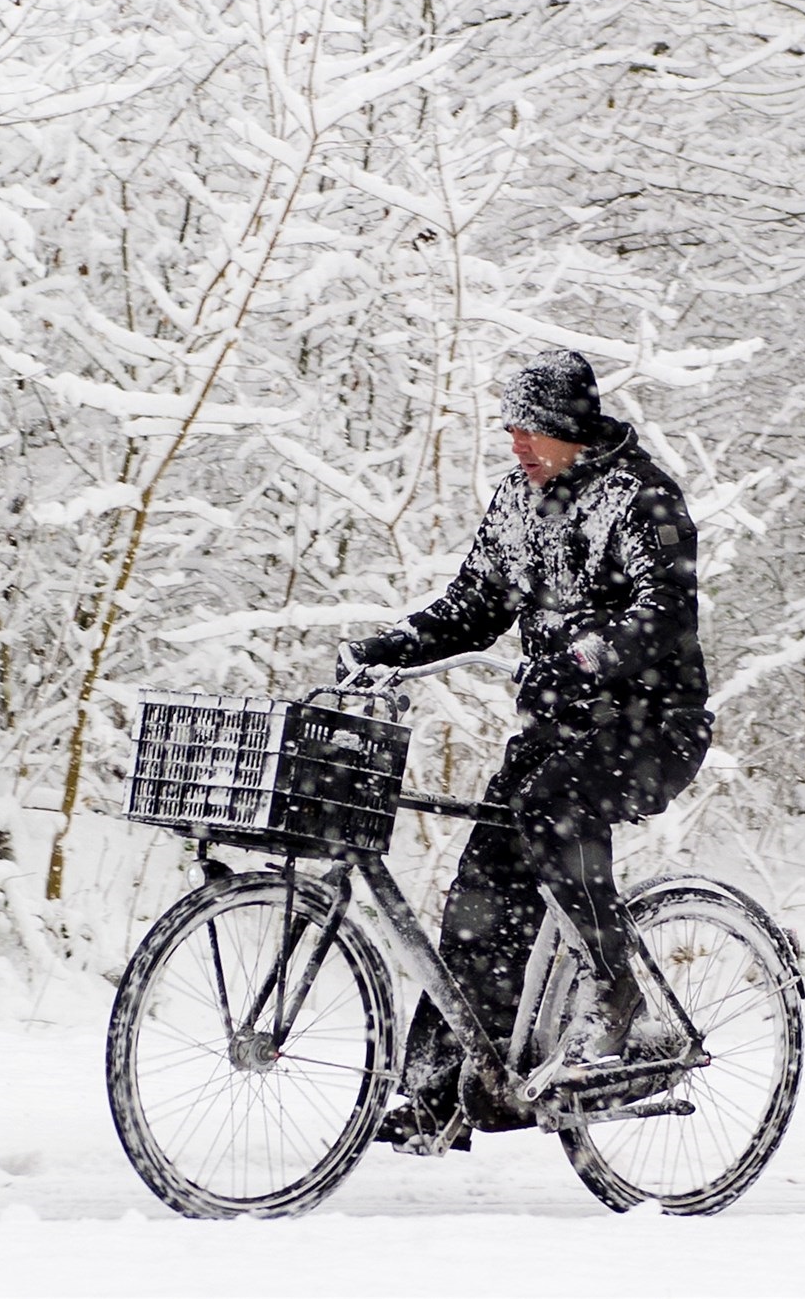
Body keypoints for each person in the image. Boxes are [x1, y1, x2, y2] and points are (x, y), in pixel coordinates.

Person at [337, 348, 713, 1154]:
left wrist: (582, 653)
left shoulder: (643, 501)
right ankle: (442, 1094)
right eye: (509, 427)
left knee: (552, 811)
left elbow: (664, 620)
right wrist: (389, 648)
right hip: (557, 731)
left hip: (650, 725)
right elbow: (474, 606)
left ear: (570, 429)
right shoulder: (520, 501)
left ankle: (615, 991)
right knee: (479, 894)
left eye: (528, 429)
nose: (515, 443)